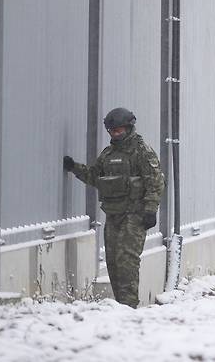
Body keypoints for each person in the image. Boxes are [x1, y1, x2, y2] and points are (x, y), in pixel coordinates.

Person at [63, 107, 165, 308]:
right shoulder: (108, 154)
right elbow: (95, 176)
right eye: (112, 131)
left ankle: (128, 307)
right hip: (113, 215)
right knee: (113, 262)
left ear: (128, 128)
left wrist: (150, 209)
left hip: (134, 216)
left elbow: (155, 182)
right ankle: (120, 307)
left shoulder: (142, 151)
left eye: (119, 130)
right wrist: (74, 167)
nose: (115, 134)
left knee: (127, 262)